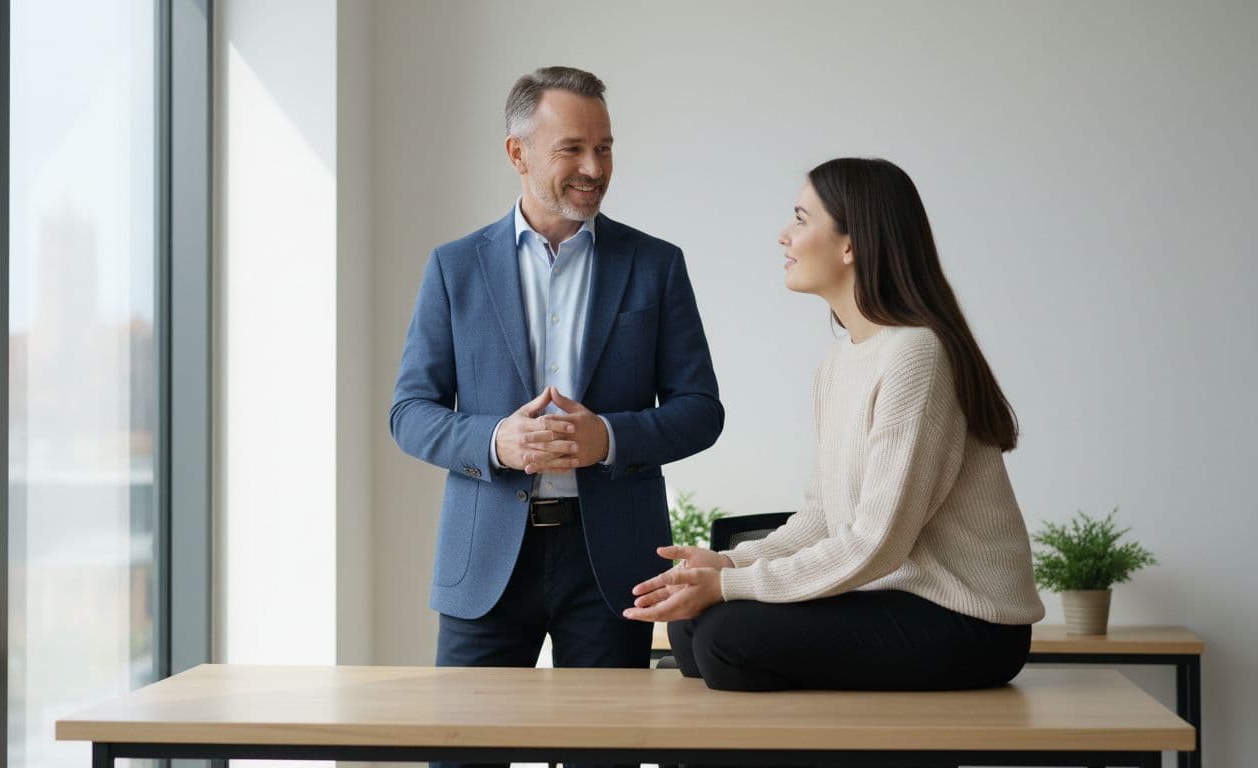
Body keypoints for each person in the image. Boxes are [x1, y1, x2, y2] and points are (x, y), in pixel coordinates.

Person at [625, 157, 1045, 692]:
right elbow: (822, 515)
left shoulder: (916, 355)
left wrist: (733, 585)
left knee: (723, 639)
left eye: (801, 219)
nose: (784, 234)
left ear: (850, 245)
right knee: (691, 630)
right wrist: (728, 560)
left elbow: (877, 544)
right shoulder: (839, 362)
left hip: (970, 620)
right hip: (901, 599)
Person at [390, 66, 723, 686]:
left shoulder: (655, 265)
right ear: (517, 153)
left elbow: (701, 408)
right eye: (572, 148)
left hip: (612, 563)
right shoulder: (454, 268)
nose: (594, 168)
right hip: (484, 560)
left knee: (603, 754)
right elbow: (409, 412)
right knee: (462, 752)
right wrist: (496, 441)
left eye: (604, 147)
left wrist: (609, 439)